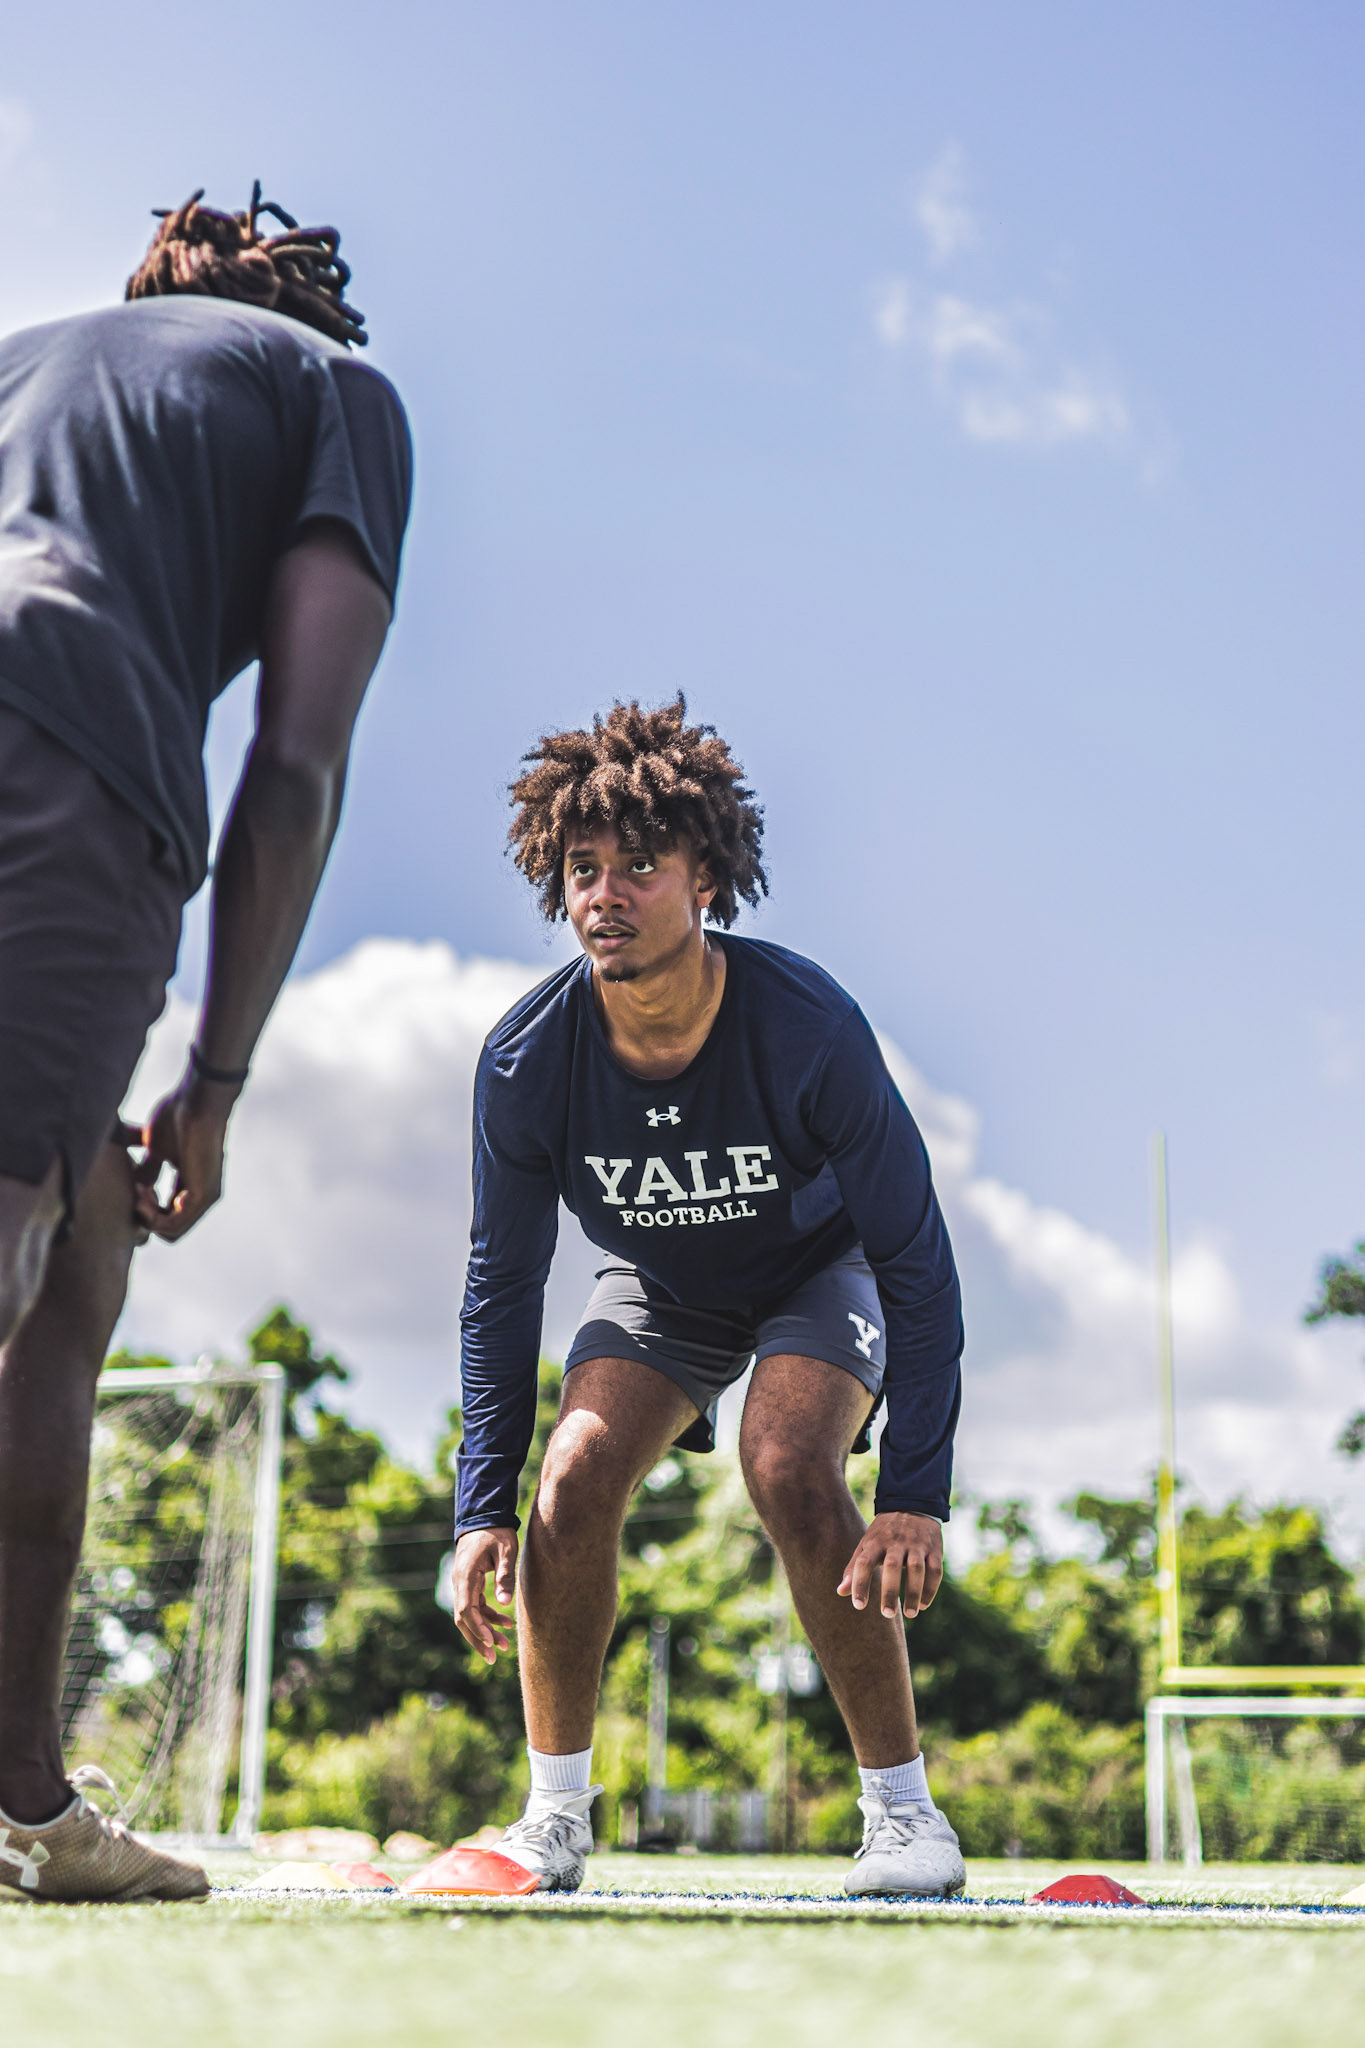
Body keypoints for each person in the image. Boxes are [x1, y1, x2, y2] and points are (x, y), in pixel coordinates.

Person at [0, 187, 412, 1902]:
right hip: (63, 743)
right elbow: (296, 761)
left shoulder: (29, 359)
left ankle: (25, 1806)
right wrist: (217, 1079)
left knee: (76, 1254)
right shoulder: (331, 392)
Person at [451, 697, 966, 1897]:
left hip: (816, 1265)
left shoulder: (809, 1027)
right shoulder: (527, 1060)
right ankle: (552, 1817)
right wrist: (480, 1502)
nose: (606, 892)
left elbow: (918, 1264)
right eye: (583, 868)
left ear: (708, 880)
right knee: (571, 1473)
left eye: (640, 864)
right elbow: (501, 1285)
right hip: (663, 1280)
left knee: (784, 1457)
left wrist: (916, 1494)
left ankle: (906, 1817)